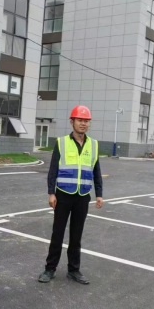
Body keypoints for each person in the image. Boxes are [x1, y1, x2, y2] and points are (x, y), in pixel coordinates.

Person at [38, 105, 103, 285]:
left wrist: (99, 193)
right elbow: (53, 170)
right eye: (80, 120)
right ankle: (50, 268)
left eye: (86, 121)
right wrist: (51, 192)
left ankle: (74, 270)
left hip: (83, 195)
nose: (83, 124)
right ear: (72, 122)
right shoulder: (61, 142)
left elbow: (96, 170)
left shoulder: (93, 144)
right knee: (57, 233)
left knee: (76, 235)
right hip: (63, 195)